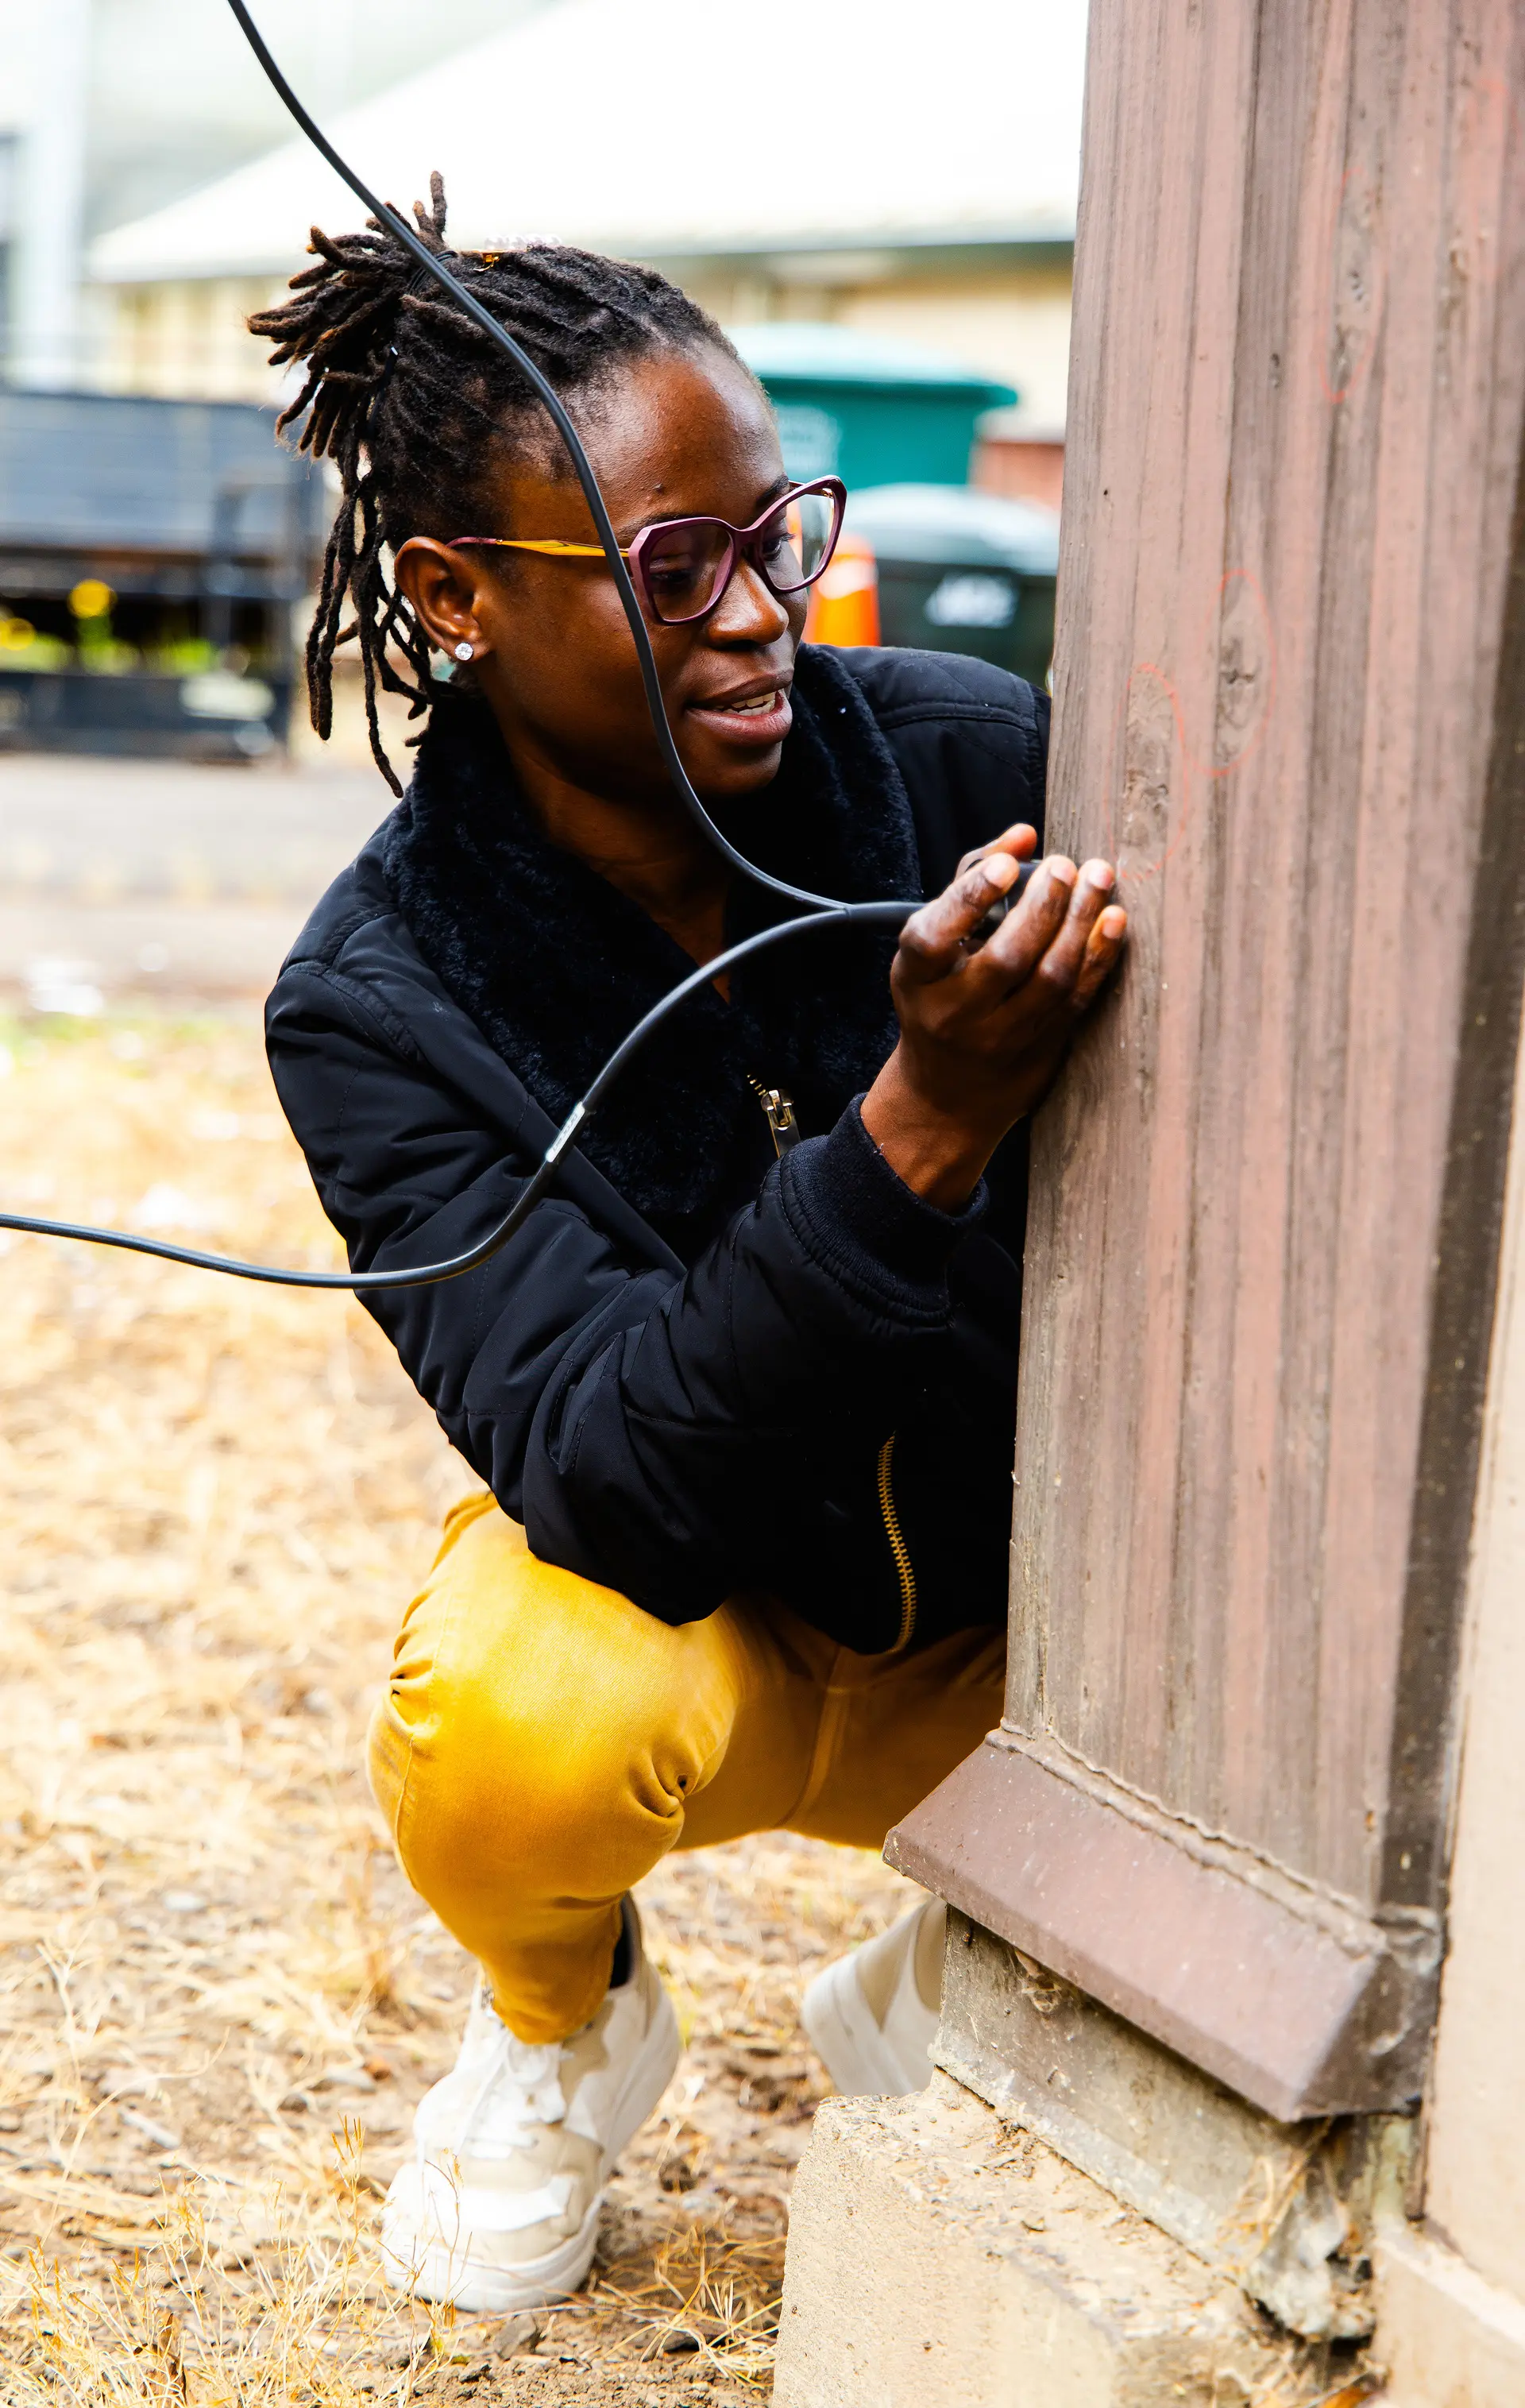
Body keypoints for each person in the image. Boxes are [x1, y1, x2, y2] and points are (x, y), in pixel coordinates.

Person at [257, 181, 1125, 2316]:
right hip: (723, 1646)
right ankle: (568, 2027)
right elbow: (615, 1480)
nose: (759, 615)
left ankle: (999, 1945)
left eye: (780, 534)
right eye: (672, 565)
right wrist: (913, 1124)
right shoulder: (380, 1000)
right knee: (503, 1699)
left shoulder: (977, 764)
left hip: (1057, 1659)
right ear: (455, 593)